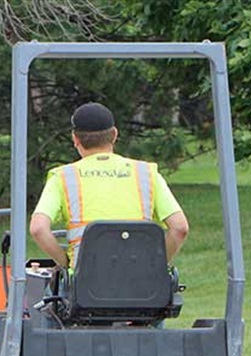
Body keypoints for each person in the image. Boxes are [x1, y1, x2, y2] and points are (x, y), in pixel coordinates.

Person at [29, 102, 190, 271]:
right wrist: (155, 265)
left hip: (86, 286)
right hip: (142, 285)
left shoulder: (62, 177)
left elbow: (38, 228)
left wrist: (65, 263)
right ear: (114, 135)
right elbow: (179, 228)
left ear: (75, 139)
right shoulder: (145, 173)